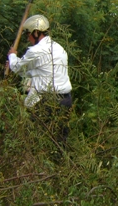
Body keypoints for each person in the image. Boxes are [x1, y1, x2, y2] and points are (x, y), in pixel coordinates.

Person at [7, 14, 73, 143]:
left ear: (36, 33)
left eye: (28, 34)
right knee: (59, 140)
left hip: (47, 101)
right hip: (66, 100)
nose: (28, 38)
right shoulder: (59, 48)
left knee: (35, 138)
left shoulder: (36, 51)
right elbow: (39, 71)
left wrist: (12, 56)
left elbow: (18, 68)